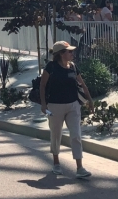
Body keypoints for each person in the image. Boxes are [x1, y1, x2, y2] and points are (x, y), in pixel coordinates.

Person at [39, 41, 92, 179]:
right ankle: (56, 163)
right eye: (69, 51)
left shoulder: (73, 67)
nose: (72, 53)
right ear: (61, 54)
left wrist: (90, 100)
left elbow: (82, 84)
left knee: (76, 135)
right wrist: (44, 104)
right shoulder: (51, 67)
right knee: (56, 134)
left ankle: (80, 167)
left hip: (73, 105)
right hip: (55, 106)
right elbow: (42, 86)